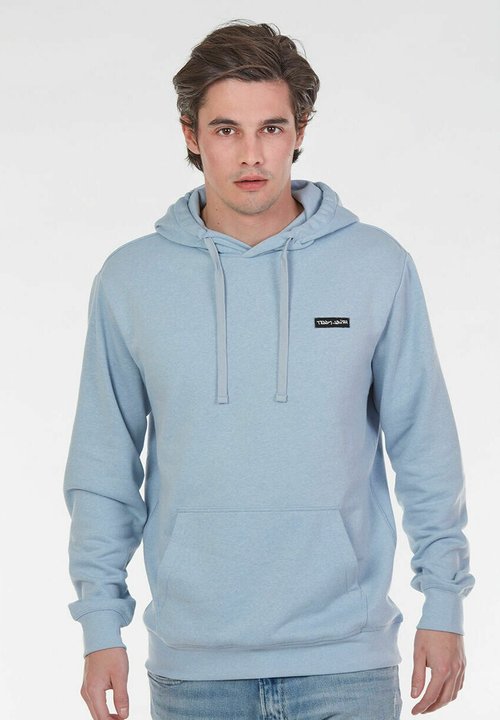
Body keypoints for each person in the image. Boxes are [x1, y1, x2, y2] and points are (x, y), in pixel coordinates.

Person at [63, 19, 475, 720]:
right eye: (226, 130)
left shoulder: (375, 265)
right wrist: (100, 624)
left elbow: (425, 446)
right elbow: (103, 466)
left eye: (272, 128)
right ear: (192, 135)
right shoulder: (132, 279)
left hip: (346, 663)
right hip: (195, 670)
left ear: (299, 131)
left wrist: (444, 602)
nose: (251, 154)